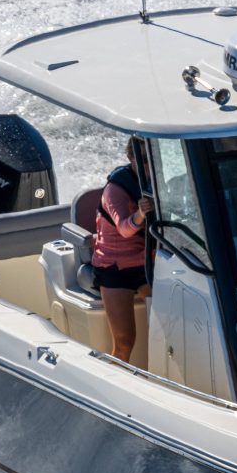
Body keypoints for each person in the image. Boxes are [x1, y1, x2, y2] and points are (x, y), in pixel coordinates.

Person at [92, 141, 154, 363]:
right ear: (131, 158)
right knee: (125, 341)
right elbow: (125, 229)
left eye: (153, 158)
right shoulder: (114, 190)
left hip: (146, 262)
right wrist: (140, 214)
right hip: (114, 267)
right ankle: (114, 379)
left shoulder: (158, 181)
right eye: (144, 160)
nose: (149, 166)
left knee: (166, 329)